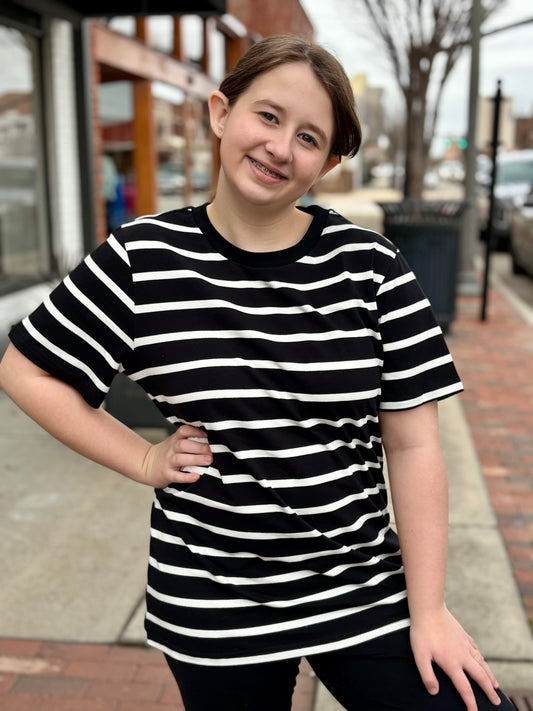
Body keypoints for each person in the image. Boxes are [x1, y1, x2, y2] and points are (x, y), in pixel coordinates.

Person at [0, 35, 515, 711]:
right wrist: (144, 458)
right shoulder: (141, 258)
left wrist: (427, 610)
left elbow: (413, 445)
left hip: (358, 580)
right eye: (266, 116)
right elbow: (26, 370)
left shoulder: (370, 266)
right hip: (214, 596)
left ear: (327, 162)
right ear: (220, 112)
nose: (279, 146)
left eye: (307, 136)